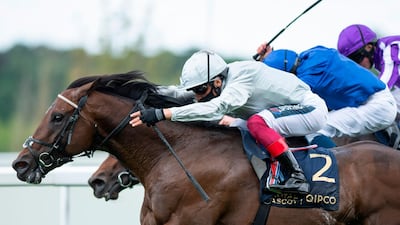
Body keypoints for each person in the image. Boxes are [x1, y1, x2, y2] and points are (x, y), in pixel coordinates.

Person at [130, 50, 329, 194]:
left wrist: (163, 114)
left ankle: (296, 176)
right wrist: (145, 91)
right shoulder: (218, 78)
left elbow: (215, 109)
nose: (197, 97)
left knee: (256, 123)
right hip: (281, 112)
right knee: (231, 127)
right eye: (196, 91)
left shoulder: (239, 83)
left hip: (310, 110)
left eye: (200, 91)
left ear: (217, 82)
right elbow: (180, 92)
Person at [256, 44, 397, 147]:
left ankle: (338, 171)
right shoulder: (314, 52)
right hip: (377, 99)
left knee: (314, 129)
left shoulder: (307, 82)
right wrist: (271, 58)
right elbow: (286, 62)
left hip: (377, 108)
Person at [337, 24, 400, 115]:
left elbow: (383, 86)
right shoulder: (379, 59)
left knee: (382, 106)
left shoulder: (390, 48)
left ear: (368, 47)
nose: (356, 66)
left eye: (356, 59)